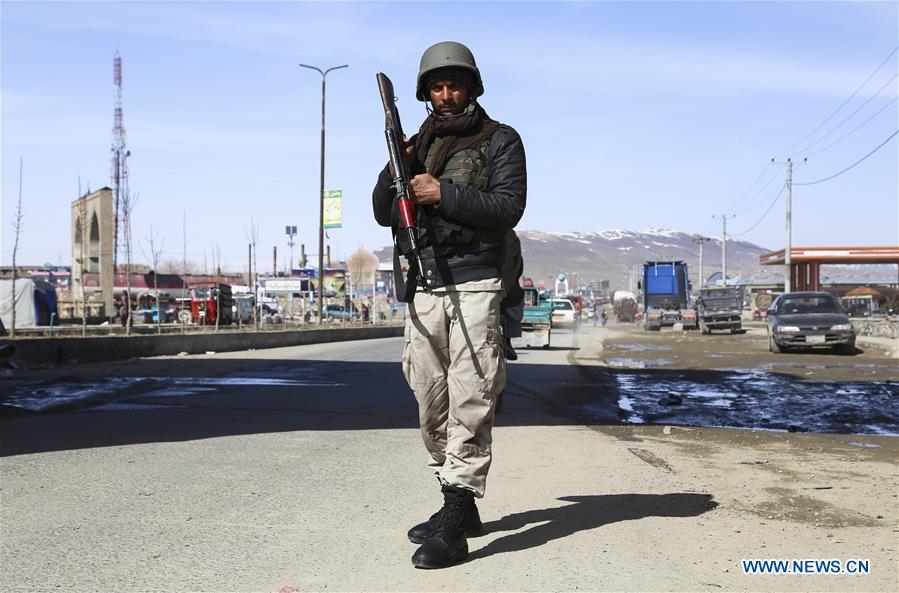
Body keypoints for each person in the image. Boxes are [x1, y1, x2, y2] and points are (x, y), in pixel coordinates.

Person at [372, 41, 527, 569]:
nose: (445, 94)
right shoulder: (419, 143)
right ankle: (456, 498)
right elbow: (381, 212)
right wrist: (397, 161)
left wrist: (443, 194)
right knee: (428, 396)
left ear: (472, 87)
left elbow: (509, 207)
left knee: (471, 394)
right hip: (425, 284)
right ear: (425, 93)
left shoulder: (500, 140)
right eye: (436, 87)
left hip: (478, 282)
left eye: (454, 84)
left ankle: (457, 510)